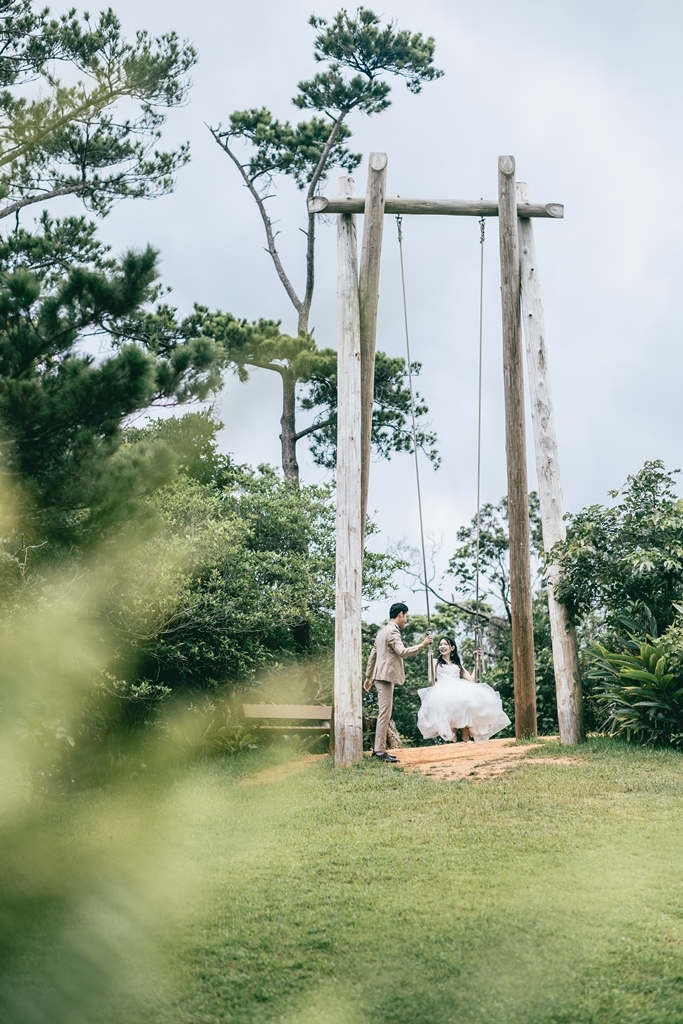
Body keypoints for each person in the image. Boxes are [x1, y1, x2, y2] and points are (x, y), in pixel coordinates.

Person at [364, 602, 433, 762]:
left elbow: (373, 655)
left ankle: (379, 750)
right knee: (385, 714)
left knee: (384, 713)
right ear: (400, 614)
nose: (406, 619)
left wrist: (368, 677)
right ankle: (379, 751)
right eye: (406, 616)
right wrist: (422, 644)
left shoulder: (382, 631)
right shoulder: (393, 631)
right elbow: (402, 651)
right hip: (385, 678)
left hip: (380, 676)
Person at [417, 636, 511, 743]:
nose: (442, 646)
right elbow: (431, 679)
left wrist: (477, 662)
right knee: (450, 704)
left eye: (445, 644)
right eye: (440, 644)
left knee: (466, 702)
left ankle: (465, 734)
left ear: (452, 648)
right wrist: (429, 659)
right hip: (442, 689)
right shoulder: (435, 662)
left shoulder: (457, 664)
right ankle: (453, 733)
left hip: (457, 689)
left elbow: (471, 679)